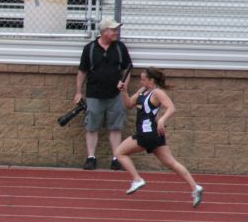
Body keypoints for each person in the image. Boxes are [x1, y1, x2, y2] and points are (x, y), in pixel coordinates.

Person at [115, 67, 204, 207]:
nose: (141, 81)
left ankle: (137, 179)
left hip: (147, 133)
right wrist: (123, 91)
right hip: (154, 134)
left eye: (144, 79)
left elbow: (171, 108)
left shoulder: (157, 92)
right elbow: (128, 104)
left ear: (152, 80)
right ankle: (195, 188)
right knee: (171, 163)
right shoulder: (142, 91)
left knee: (119, 152)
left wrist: (162, 120)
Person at [74, 17, 133, 171]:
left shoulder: (120, 47)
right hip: (94, 94)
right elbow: (82, 71)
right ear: (104, 31)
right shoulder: (90, 48)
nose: (116, 32)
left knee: (115, 127)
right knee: (92, 126)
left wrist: (124, 88)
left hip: (116, 95)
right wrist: (78, 92)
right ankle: (91, 157)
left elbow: (127, 69)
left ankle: (116, 157)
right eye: (113, 30)